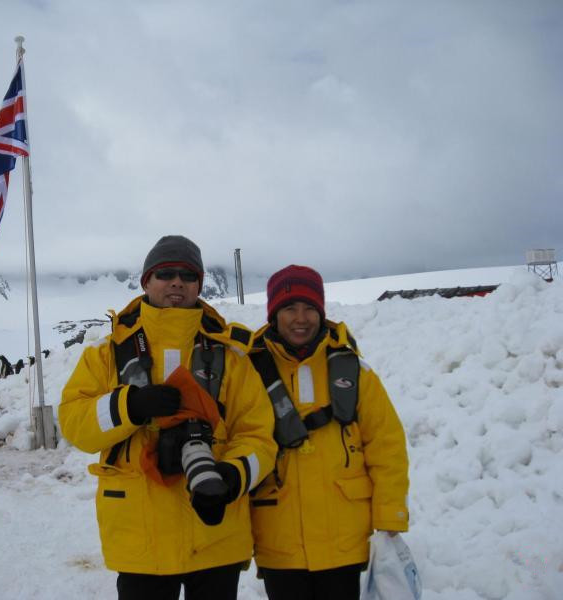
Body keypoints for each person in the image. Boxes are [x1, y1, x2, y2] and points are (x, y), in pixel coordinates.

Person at [59, 235, 277, 600]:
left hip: (215, 532)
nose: (177, 282)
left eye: (188, 275)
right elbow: (73, 423)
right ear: (146, 281)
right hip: (140, 540)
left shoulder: (232, 356)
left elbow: (259, 435)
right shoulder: (107, 354)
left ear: (199, 285)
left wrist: (232, 475)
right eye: (165, 273)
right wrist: (130, 407)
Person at [248, 265, 409, 600]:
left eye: (309, 308)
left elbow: (386, 446)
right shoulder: (249, 373)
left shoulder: (354, 370)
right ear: (273, 314)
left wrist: (390, 513)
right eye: (289, 308)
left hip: (344, 540)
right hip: (279, 538)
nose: (300, 318)